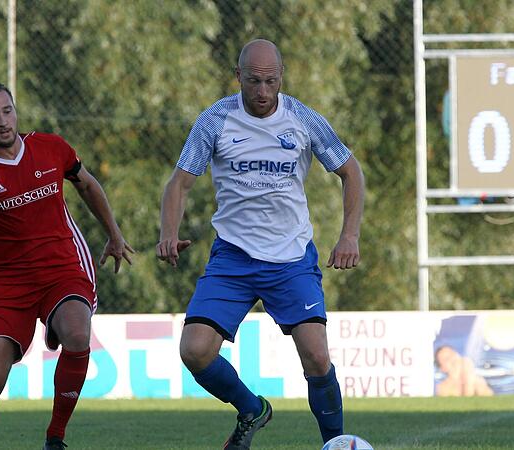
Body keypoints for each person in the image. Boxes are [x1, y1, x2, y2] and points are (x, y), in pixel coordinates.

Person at [156, 39, 365, 449]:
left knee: (318, 358)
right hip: (233, 256)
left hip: (290, 260)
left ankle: (336, 443)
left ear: (281, 77)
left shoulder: (303, 119)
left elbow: (351, 171)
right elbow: (179, 183)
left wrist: (350, 234)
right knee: (194, 352)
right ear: (239, 77)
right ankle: (251, 408)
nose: (263, 91)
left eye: (271, 81)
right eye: (254, 81)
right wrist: (167, 232)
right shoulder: (215, 120)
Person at [0, 81, 134, 450]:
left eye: (7, 111)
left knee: (78, 333)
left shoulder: (50, 147)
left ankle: (55, 438)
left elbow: (88, 185)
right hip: (8, 283)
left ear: (16, 110)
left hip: (62, 268)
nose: (3, 121)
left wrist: (114, 233)